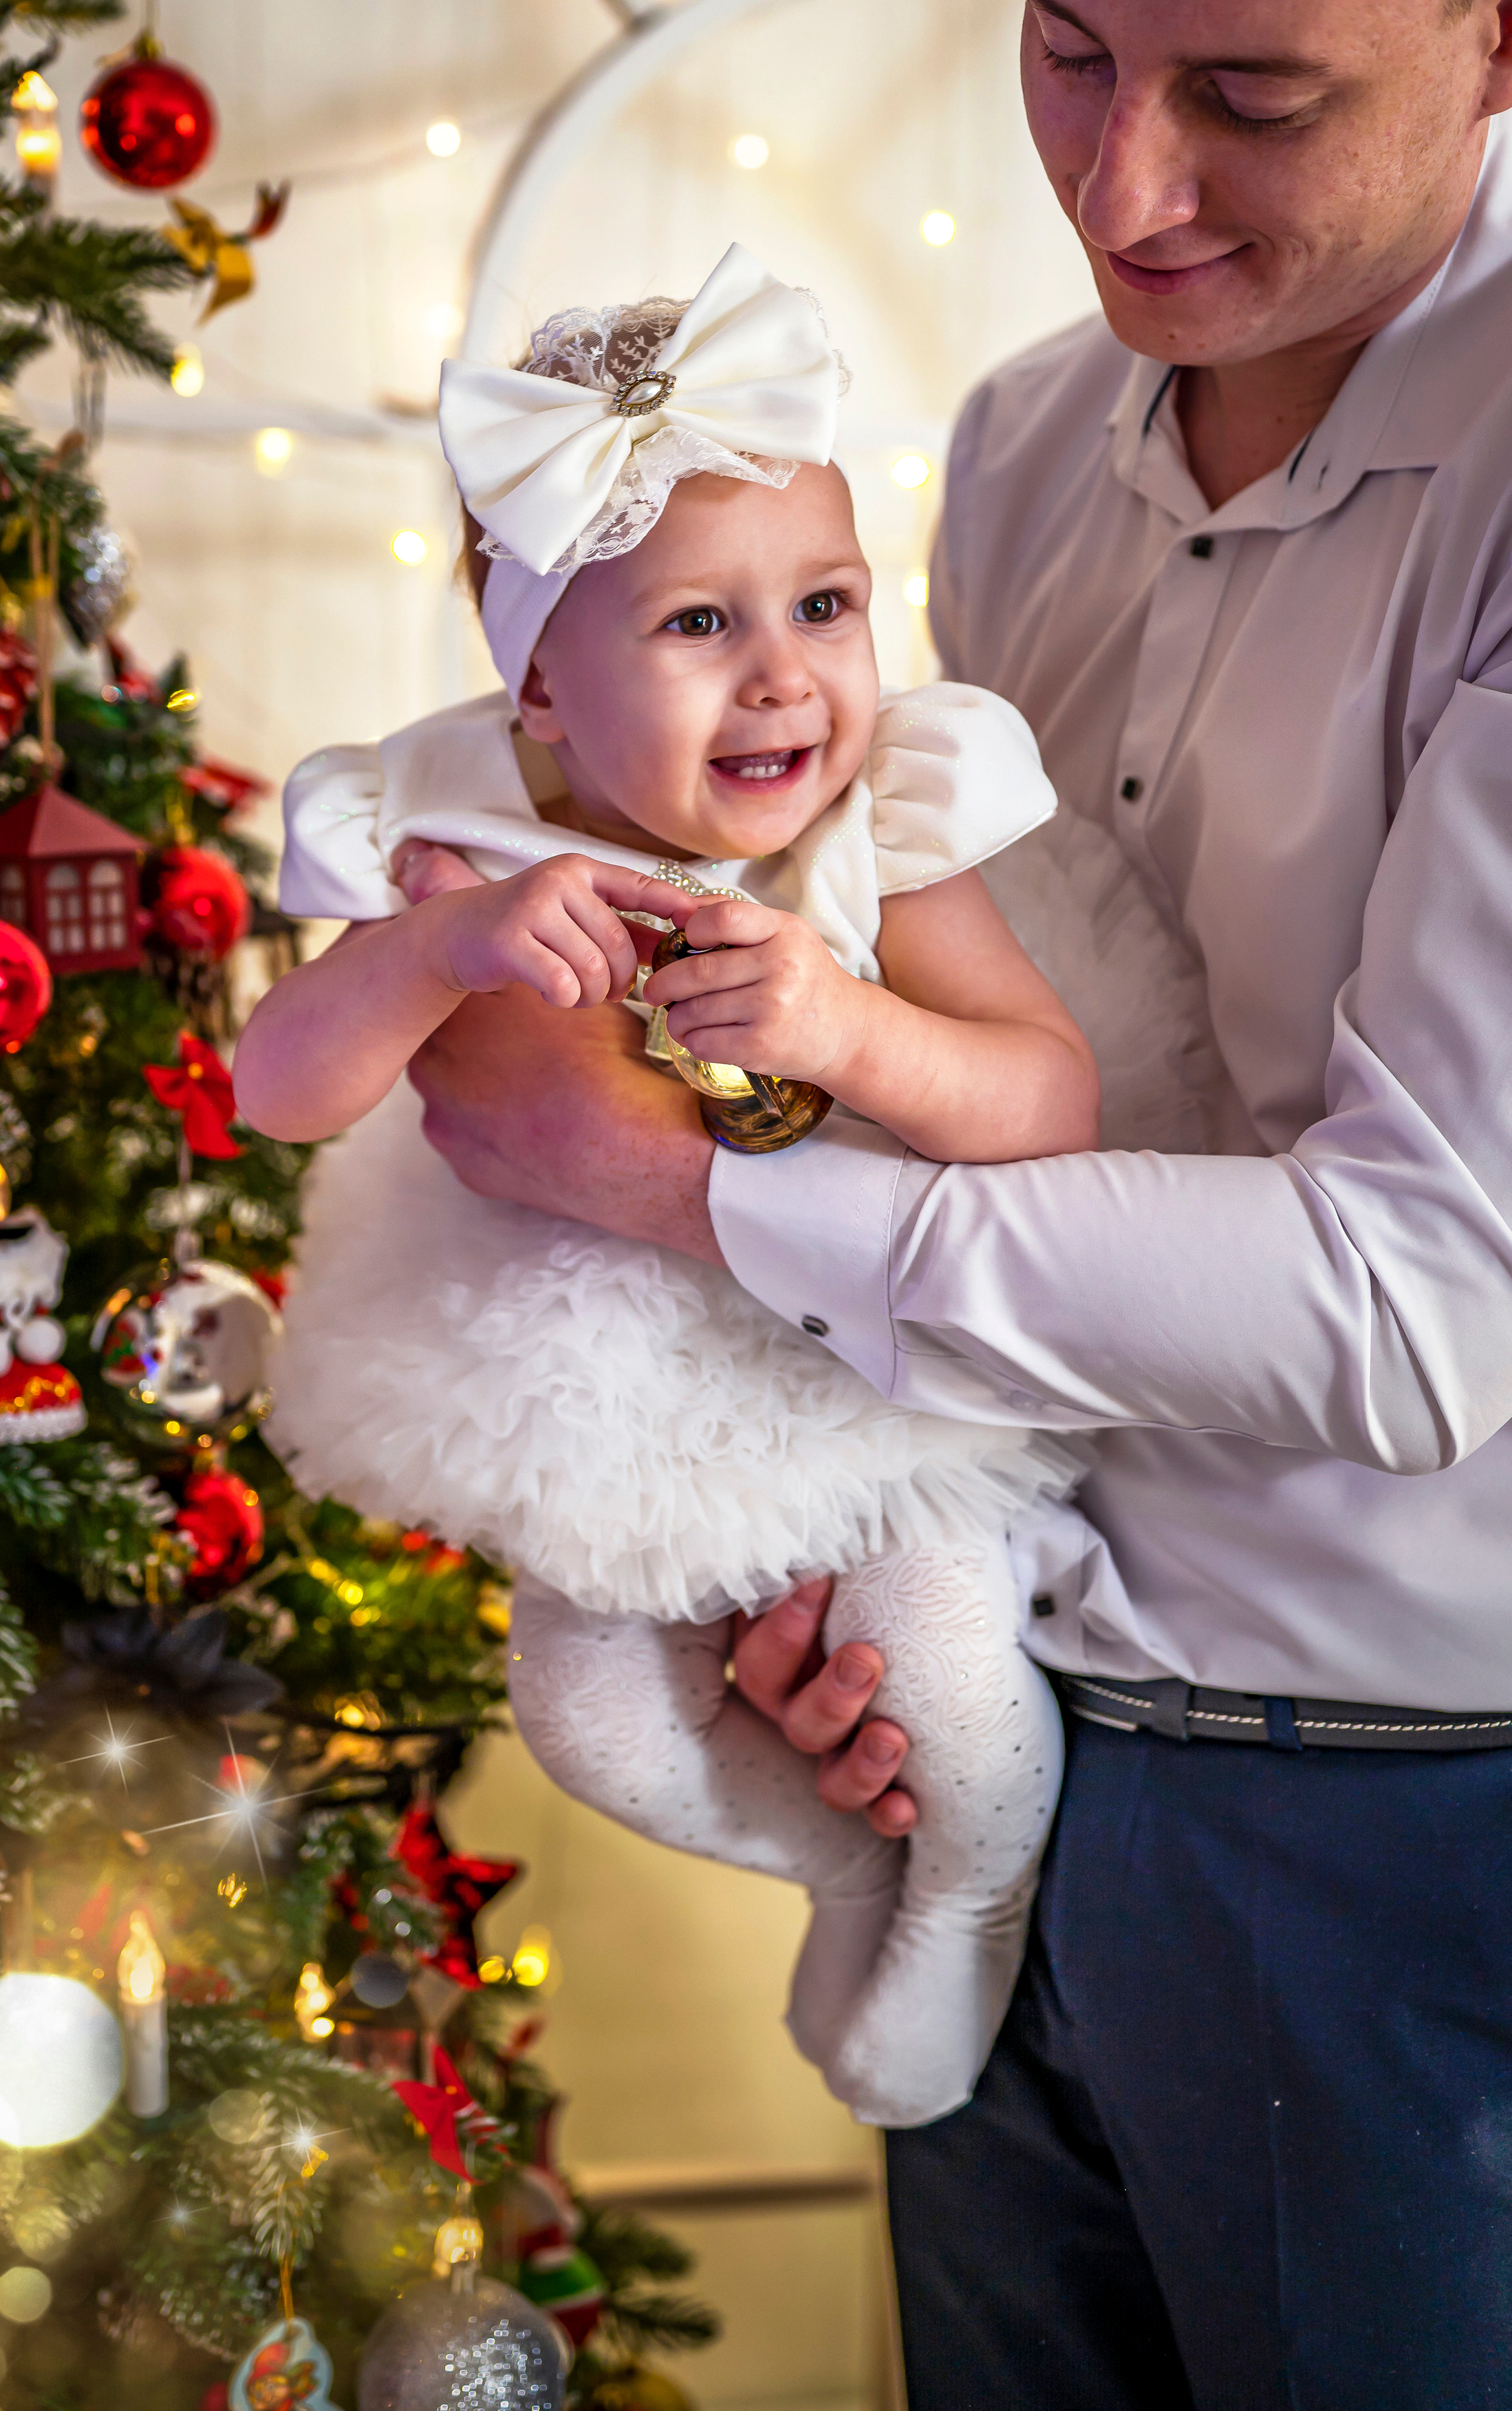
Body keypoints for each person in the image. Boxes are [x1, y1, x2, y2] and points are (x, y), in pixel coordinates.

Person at [399, 0, 1512, 2403]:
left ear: (1500, 26)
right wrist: (835, 1548)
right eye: (1062, 45)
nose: (1124, 187)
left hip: (1407, 1821)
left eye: (1254, 95)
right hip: (997, 1728)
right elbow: (944, 1049)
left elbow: (1422, 1313)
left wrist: (681, 1196)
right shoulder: (1020, 444)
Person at [236, 241, 1218, 2131]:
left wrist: (854, 1030)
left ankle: (968, 1889)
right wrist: (436, 954)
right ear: (539, 680)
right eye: (699, 623)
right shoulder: (448, 828)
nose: (786, 677)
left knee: (951, 1685)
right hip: (593, 1375)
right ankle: (845, 1873)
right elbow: (278, 1092)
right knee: (591, 1720)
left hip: (873, 1364)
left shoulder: (884, 826)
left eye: (825, 605)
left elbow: (1047, 1100)